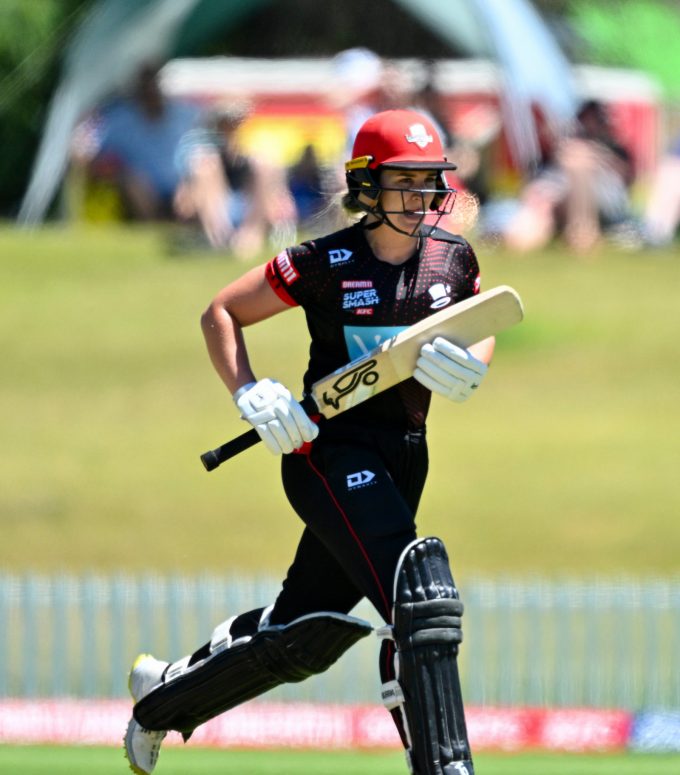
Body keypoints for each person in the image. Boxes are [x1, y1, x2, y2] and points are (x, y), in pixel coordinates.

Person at [124, 109, 495, 775]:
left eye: (429, 183)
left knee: (304, 633)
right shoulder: (325, 263)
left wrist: (474, 362)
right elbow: (222, 313)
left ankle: (161, 698)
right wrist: (248, 391)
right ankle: (443, 766)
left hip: (406, 454)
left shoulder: (452, 257)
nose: (421, 200)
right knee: (419, 599)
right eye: (404, 183)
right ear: (366, 185)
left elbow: (481, 320)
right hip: (325, 451)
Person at [504, 99, 635, 253]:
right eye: (585, 118)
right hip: (556, 197)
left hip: (600, 197)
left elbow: (626, 177)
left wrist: (592, 156)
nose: (589, 123)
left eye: (594, 118)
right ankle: (527, 235)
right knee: (536, 209)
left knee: (577, 158)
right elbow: (540, 178)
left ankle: (583, 231)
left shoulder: (614, 149)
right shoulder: (562, 148)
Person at [77, 63, 200, 221]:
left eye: (154, 85)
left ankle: (200, 227)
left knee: (202, 174)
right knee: (132, 180)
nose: (151, 92)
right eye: (146, 87)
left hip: (181, 185)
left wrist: (189, 181)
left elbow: (203, 147)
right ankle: (152, 225)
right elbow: (88, 150)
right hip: (143, 190)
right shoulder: (120, 122)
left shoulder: (184, 114)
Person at [174, 100, 296, 258]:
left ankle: (251, 236)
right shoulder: (204, 155)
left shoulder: (259, 153)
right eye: (226, 123)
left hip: (250, 207)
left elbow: (280, 200)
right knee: (206, 166)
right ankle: (219, 237)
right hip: (218, 208)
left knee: (264, 166)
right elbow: (183, 205)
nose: (231, 129)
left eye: (235, 122)